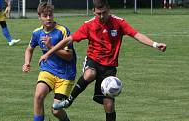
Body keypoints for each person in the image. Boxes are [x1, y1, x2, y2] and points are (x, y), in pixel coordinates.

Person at [39, 0, 167, 121]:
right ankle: (69, 100)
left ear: (109, 10)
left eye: (104, 13)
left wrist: (155, 44)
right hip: (93, 60)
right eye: (98, 13)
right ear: (93, 11)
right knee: (90, 74)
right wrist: (49, 53)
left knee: (109, 105)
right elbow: (68, 40)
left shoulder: (119, 23)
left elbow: (136, 35)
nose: (101, 16)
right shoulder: (88, 25)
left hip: (109, 67)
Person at [22, 2, 76, 121]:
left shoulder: (62, 31)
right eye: (45, 15)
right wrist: (27, 62)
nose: (48, 18)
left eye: (50, 15)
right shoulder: (37, 33)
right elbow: (29, 49)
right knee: (38, 96)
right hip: (48, 71)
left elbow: (69, 56)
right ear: (39, 17)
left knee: (56, 110)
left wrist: (51, 47)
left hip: (66, 75)